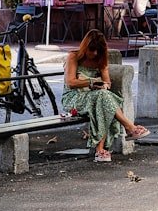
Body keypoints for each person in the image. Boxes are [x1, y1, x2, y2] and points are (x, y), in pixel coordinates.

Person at [62, 30, 150, 163]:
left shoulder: (100, 59)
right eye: (92, 50)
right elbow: (70, 82)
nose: (94, 54)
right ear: (85, 47)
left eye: (98, 51)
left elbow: (107, 83)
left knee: (103, 98)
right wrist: (91, 82)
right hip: (74, 98)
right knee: (104, 99)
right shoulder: (73, 57)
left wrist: (103, 85)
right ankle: (129, 128)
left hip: (96, 97)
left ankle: (100, 149)